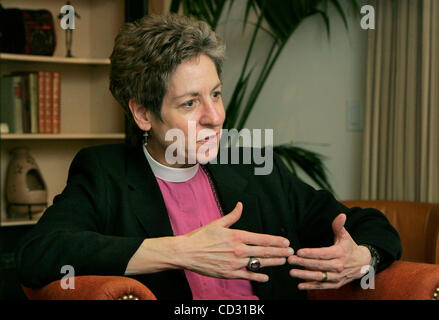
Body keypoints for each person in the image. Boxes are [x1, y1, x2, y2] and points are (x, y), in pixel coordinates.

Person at [15, 14, 401, 300]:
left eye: (215, 94)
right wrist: (180, 251)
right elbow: (38, 254)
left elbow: (367, 224)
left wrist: (363, 257)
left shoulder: (255, 167)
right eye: (189, 103)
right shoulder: (105, 173)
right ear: (143, 114)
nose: (215, 118)